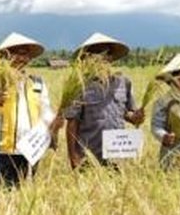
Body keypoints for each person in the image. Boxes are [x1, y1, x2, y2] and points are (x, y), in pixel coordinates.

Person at [0, 33, 60, 188]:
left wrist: (55, 124)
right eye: (15, 53)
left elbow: (46, 112)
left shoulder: (37, 83)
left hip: (31, 148)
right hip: (3, 149)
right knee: (5, 192)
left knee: (27, 191)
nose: (20, 58)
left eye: (24, 54)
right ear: (5, 56)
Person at [62, 32, 145, 168]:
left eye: (105, 53)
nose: (101, 58)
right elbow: (72, 123)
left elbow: (128, 114)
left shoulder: (123, 82)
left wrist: (137, 117)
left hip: (117, 154)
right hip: (88, 156)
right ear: (86, 59)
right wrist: (73, 156)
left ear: (111, 57)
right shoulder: (78, 85)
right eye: (95, 54)